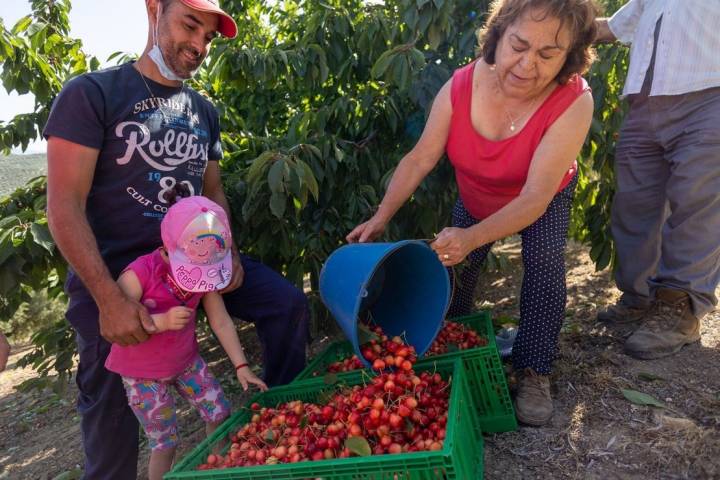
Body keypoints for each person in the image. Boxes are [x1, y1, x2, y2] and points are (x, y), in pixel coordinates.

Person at [43, 1, 308, 477]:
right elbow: (63, 206)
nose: (199, 45)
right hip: (120, 280)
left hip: (197, 263)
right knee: (110, 433)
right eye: (190, 25)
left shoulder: (203, 111)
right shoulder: (92, 94)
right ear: (153, 9)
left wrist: (226, 255)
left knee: (286, 304)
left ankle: (277, 434)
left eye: (208, 36)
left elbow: (213, 191)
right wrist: (109, 299)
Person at [347, 0, 597, 426]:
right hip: (479, 192)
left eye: (548, 54)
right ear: (498, 36)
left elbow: (535, 196)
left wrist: (473, 237)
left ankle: (534, 367)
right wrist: (381, 216)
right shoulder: (462, 86)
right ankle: (453, 339)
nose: (527, 64)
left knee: (544, 262)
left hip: (541, 195)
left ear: (568, 59)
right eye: (519, 45)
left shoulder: (573, 101)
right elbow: (420, 157)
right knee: (453, 268)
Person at [109, 194, 267, 480]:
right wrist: (160, 321)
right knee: (164, 442)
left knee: (219, 413)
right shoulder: (138, 274)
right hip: (142, 375)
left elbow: (220, 321)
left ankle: (221, 468)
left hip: (186, 362)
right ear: (168, 251)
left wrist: (241, 366)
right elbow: (119, 325)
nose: (201, 276)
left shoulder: (203, 275)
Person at [595, 1, 720, 359]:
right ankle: (639, 297)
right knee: (633, 204)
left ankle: (679, 308)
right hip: (645, 105)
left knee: (696, 202)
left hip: (710, 96)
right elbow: (610, 29)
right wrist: (549, 16)